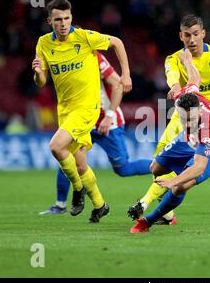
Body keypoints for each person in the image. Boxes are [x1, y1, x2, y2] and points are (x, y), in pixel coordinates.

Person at [127, 14, 210, 224]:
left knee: (187, 174)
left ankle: (146, 204)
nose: (192, 40)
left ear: (203, 34)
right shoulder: (174, 59)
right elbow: (173, 79)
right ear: (181, 36)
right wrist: (175, 87)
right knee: (158, 165)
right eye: (187, 35)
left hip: (209, 125)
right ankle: (167, 213)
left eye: (196, 34)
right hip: (182, 120)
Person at [32, 0, 132, 223]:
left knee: (56, 146)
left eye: (67, 18)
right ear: (50, 21)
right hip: (65, 110)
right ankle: (100, 204)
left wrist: (126, 74)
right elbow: (41, 82)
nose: (63, 23)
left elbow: (117, 42)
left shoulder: (85, 37)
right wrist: (38, 73)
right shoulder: (43, 44)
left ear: (71, 18)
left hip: (87, 108)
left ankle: (77, 189)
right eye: (58, 20)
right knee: (79, 163)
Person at [39, 51, 151, 215]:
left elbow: (118, 84)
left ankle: (163, 163)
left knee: (123, 169)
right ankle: (60, 204)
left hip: (107, 123)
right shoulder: (67, 57)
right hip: (83, 121)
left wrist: (109, 115)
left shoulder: (94, 57)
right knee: (66, 157)